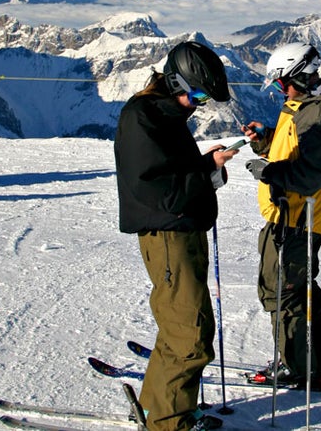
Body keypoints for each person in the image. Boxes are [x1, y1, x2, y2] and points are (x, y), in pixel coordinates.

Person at [114, 41, 238, 431]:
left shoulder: (164, 116)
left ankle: (159, 409)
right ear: (173, 80)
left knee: (185, 328)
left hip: (182, 233)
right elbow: (154, 190)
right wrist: (205, 173)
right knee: (190, 335)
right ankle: (169, 423)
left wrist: (208, 168)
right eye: (197, 94)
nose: (199, 103)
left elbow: (171, 175)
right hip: (168, 238)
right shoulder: (142, 118)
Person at [243, 42, 321, 389]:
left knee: (282, 292)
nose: (281, 90)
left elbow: (308, 175)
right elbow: (297, 148)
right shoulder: (309, 104)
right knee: (300, 290)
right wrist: (267, 142)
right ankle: (317, 363)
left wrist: (268, 172)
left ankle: (300, 367)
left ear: (301, 77)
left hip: (296, 218)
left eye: (283, 83)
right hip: (293, 215)